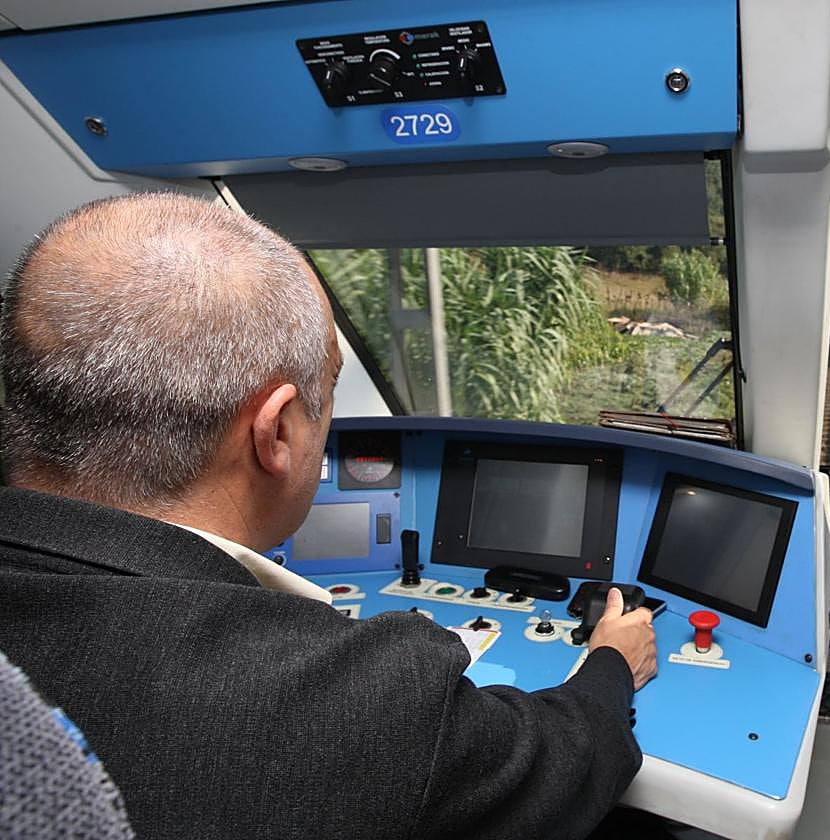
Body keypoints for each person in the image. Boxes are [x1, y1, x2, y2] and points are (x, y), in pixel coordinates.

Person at [0, 193, 658, 839]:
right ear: (277, 432)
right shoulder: (360, 704)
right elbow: (567, 760)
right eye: (330, 392)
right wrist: (611, 663)